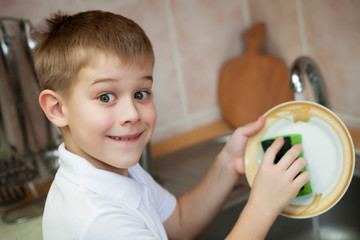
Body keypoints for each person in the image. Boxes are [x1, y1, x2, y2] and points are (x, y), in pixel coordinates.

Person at [35, 10, 310, 240]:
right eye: (106, 97)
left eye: (140, 93)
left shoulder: (116, 167)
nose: (132, 113)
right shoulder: (98, 221)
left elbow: (178, 222)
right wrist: (262, 206)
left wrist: (227, 163)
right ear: (58, 109)